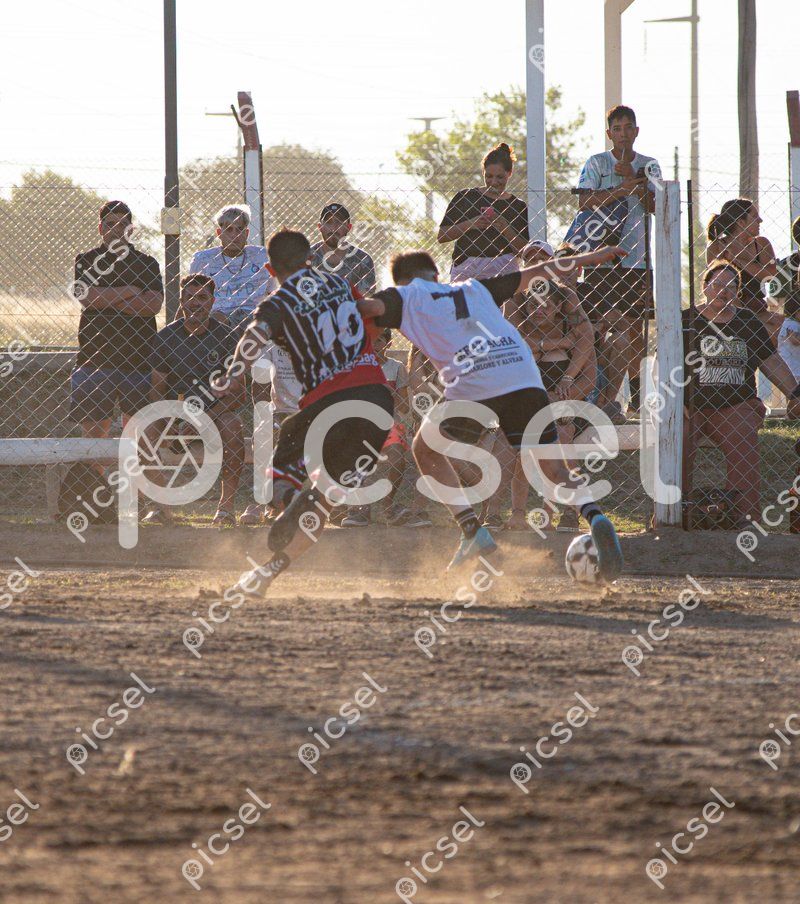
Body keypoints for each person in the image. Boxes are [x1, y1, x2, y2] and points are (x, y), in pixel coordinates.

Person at [357, 245, 628, 578]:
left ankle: (472, 532)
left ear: (401, 281)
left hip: (474, 383)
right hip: (523, 375)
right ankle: (595, 515)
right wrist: (591, 258)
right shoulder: (475, 287)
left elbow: (366, 308)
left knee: (425, 449)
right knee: (554, 466)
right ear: (437, 276)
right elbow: (540, 271)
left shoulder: (404, 295)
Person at [215, 230, 393, 598]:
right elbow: (372, 315)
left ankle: (289, 500)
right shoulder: (340, 284)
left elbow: (255, 334)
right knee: (323, 500)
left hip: (326, 404)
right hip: (376, 403)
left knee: (281, 480)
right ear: (310, 259)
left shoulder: (279, 301)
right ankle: (267, 573)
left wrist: (232, 373)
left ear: (270, 269)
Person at [683, 261, 800, 525]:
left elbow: (770, 360)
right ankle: (676, 511)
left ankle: (744, 516)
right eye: (717, 285)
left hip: (736, 404)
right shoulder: (686, 320)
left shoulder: (747, 321)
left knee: (743, 440)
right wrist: (674, 402)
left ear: (737, 292)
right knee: (677, 441)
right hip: (691, 405)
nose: (723, 291)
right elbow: (665, 365)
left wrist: (795, 393)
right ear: (704, 287)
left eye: (730, 286)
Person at [575, 105, 661, 422]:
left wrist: (634, 182)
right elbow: (584, 201)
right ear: (609, 133)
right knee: (601, 326)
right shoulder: (596, 163)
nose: (623, 133)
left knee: (635, 329)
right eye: (617, 128)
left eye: (628, 127)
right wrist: (618, 190)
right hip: (600, 257)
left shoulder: (649, 165)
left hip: (637, 259)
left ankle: (637, 398)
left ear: (636, 131)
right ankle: (601, 395)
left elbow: (657, 205)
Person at [144, 274, 244, 527]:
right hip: (175, 415)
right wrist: (170, 421)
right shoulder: (166, 337)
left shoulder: (227, 337)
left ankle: (225, 508)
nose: (195, 303)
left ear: (212, 301)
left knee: (233, 426)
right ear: (181, 301)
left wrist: (204, 420)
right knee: (144, 431)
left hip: (214, 415)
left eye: (202, 297)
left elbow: (238, 393)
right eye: (189, 297)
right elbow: (156, 391)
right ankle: (160, 506)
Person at [70, 200, 163, 441]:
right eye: (110, 224)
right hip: (95, 358)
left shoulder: (147, 263)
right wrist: (131, 290)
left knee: (137, 438)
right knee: (94, 438)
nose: (116, 230)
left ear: (130, 229)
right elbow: (87, 298)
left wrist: (106, 298)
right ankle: (97, 469)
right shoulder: (86, 260)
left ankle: (131, 469)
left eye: (123, 225)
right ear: (101, 228)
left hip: (139, 358)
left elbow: (152, 306)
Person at [340, 328, 432, 528]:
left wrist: (386, 392)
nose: (374, 345)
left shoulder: (396, 368)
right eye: (370, 340)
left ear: (389, 344)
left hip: (388, 423)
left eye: (379, 340)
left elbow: (404, 407)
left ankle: (387, 505)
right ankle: (359, 508)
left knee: (397, 457)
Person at [438, 142, 529, 280]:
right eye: (489, 176)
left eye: (499, 177)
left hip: (504, 271)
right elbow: (442, 236)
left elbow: (524, 252)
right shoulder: (466, 197)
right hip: (466, 269)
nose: (493, 182)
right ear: (483, 173)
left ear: (509, 173)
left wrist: (504, 228)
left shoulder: (517, 206)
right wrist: (471, 224)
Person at [240, 339, 304, 526]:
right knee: (263, 434)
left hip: (313, 410)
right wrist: (265, 417)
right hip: (281, 412)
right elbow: (259, 385)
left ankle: (284, 503)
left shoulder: (321, 343)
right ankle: (266, 501)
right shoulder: (272, 346)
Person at [189, 205, 275, 333]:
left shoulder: (263, 257)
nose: (234, 235)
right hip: (219, 318)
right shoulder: (203, 260)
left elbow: (273, 290)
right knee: (215, 320)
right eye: (229, 229)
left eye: (239, 229)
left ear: (246, 233)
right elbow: (191, 296)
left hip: (255, 316)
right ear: (219, 233)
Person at [706, 198, 778, 319]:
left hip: (757, 307)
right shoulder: (716, 246)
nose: (760, 220)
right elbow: (716, 282)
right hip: (726, 307)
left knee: (778, 322)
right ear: (741, 222)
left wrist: (736, 260)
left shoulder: (761, 243)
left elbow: (771, 276)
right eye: (755, 216)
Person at [309, 203, 376, 295]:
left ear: (349, 227)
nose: (333, 228)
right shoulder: (306, 258)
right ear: (320, 227)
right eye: (328, 222)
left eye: (339, 222)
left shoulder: (363, 260)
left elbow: (366, 297)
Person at [777, 294, 800, 383]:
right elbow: (794, 340)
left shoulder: (790, 322)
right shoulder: (793, 325)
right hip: (794, 368)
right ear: (796, 312)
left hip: (792, 366)